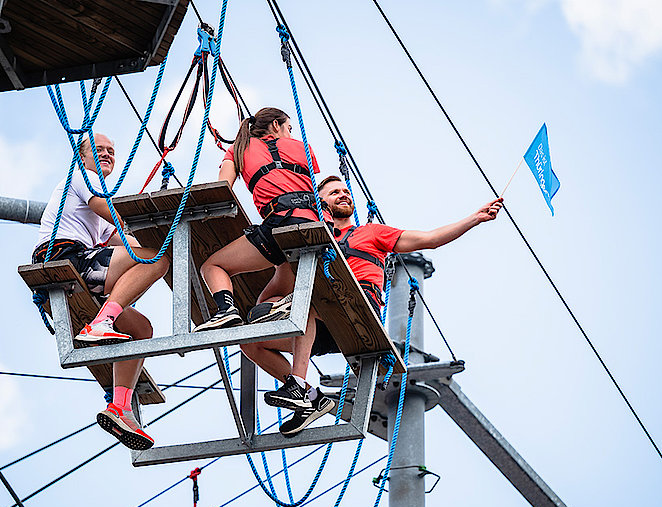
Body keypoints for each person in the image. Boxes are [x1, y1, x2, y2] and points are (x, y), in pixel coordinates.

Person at [241, 175, 504, 436]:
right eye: (334, 193)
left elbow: (430, 239)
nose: (343, 195)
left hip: (356, 311)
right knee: (250, 341)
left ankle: (297, 384)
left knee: (309, 301)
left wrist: (475, 218)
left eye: (345, 191)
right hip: (322, 324)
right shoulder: (311, 239)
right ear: (319, 202)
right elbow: (269, 297)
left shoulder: (371, 232)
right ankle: (311, 398)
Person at [32, 133, 170, 450]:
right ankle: (101, 322)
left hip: (81, 260)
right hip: (62, 256)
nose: (107, 154)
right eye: (100, 150)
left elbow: (128, 244)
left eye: (112, 151)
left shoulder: (94, 193)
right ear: (83, 156)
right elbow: (113, 217)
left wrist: (146, 252)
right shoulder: (82, 176)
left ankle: (119, 407)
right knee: (158, 259)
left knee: (141, 329)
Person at [193, 107, 331, 335]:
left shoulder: (238, 149)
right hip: (318, 224)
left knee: (212, 266)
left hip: (280, 222)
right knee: (274, 285)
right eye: (289, 128)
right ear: (276, 126)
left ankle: (226, 310)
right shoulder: (303, 147)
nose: (290, 133)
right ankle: (287, 300)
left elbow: (222, 188)